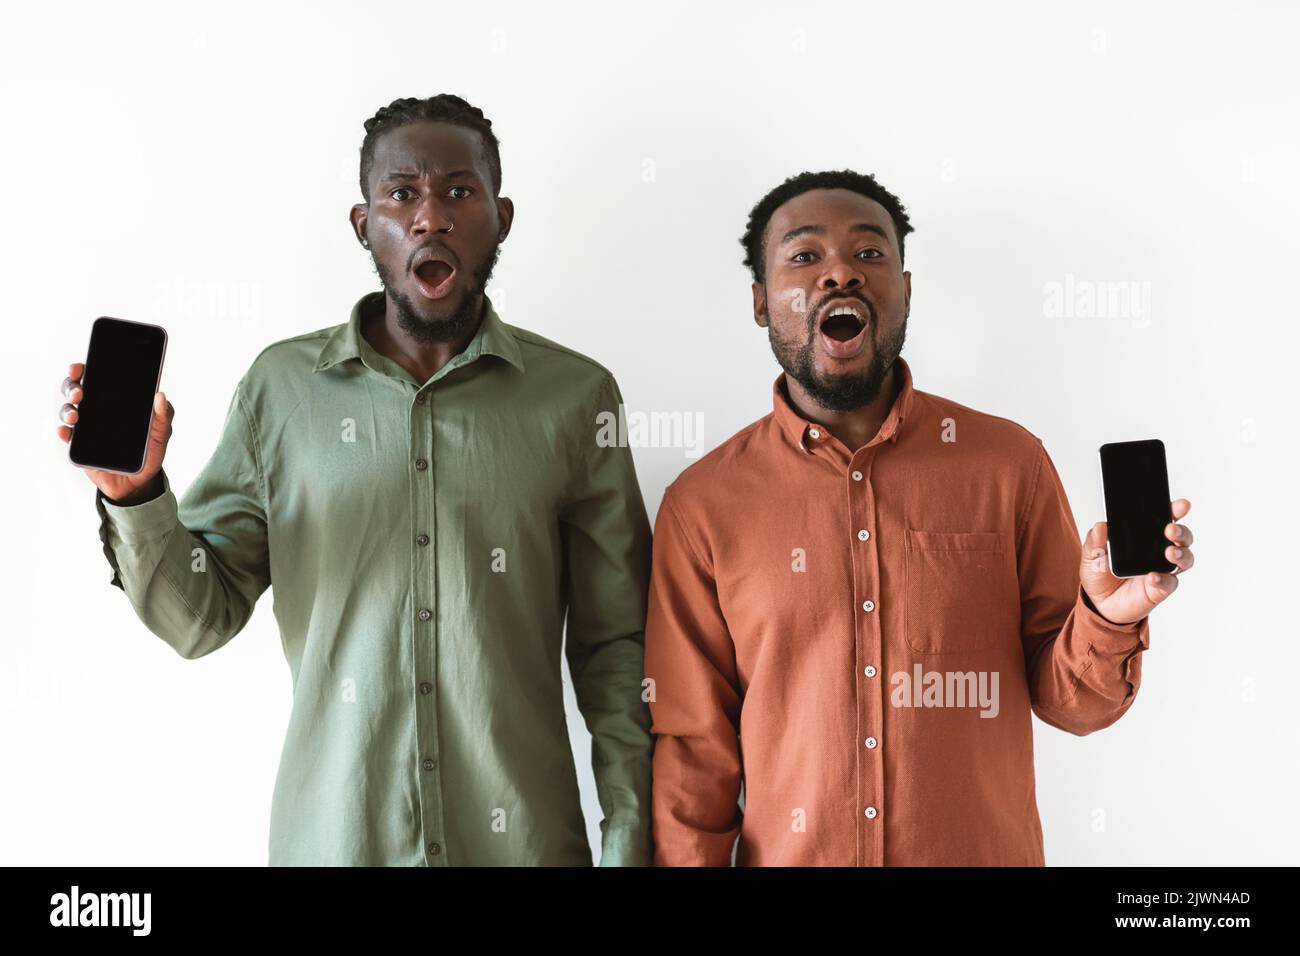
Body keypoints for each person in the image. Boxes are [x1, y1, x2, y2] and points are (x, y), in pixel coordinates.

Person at [57, 94, 654, 866]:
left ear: (501, 218)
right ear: (363, 224)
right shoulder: (280, 390)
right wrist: (135, 496)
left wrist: (630, 844)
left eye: (458, 191)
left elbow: (619, 652)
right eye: (402, 193)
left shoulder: (576, 398)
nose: (430, 216)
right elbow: (199, 618)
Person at [644, 169, 1195, 866]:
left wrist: (1109, 618)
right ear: (760, 301)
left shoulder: (1009, 464)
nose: (839, 273)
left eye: (869, 254)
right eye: (805, 256)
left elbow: (1074, 704)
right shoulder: (704, 504)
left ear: (906, 290)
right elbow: (694, 751)